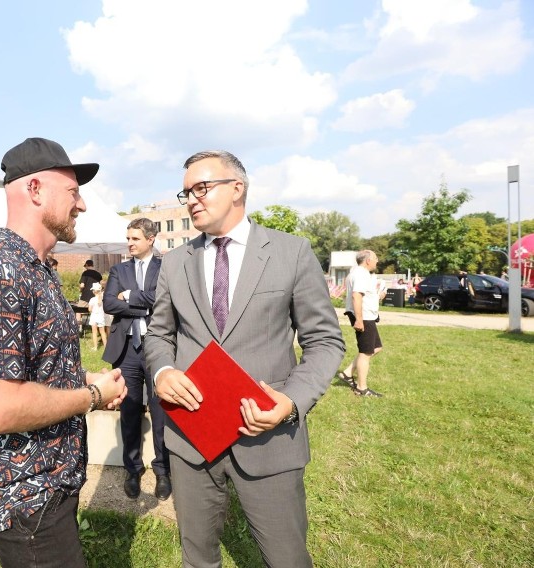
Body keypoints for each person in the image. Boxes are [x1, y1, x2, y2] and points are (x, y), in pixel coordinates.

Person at [145, 150, 344, 567]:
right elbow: (160, 334)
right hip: (192, 439)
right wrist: (162, 371)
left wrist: (290, 402)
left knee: (286, 558)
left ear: (238, 188)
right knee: (197, 558)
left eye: (201, 188)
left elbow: (325, 342)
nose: (192, 200)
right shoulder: (174, 263)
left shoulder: (291, 252)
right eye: (186, 193)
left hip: (268, 438)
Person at [0, 136, 127, 568]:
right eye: (73, 192)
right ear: (35, 190)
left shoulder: (36, 270)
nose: (80, 205)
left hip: (50, 487)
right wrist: (93, 398)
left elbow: (35, 370)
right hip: (25, 499)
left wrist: (87, 381)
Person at [102, 217, 171, 501]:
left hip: (158, 347)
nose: (129, 243)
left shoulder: (166, 266)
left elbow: (165, 299)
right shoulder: (119, 269)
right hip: (127, 349)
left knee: (161, 411)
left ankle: (163, 470)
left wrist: (130, 296)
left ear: (151, 238)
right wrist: (143, 307)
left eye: (135, 238)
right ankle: (132, 469)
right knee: (129, 410)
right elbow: (109, 303)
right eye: (128, 238)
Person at [337, 250, 386, 397]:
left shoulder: (360, 273)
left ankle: (347, 373)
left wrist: (378, 296)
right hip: (363, 318)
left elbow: (363, 295)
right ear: (368, 260)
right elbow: (356, 295)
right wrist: (359, 320)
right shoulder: (360, 274)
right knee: (366, 353)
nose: (377, 261)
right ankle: (361, 388)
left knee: (376, 348)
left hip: (367, 317)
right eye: (376, 258)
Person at [87, 282, 108, 350]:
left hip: (94, 316)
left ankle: (95, 347)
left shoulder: (92, 299)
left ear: (94, 291)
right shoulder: (103, 299)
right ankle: (106, 346)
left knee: (94, 332)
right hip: (101, 316)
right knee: (102, 332)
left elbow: (89, 309)